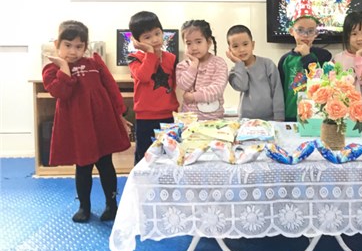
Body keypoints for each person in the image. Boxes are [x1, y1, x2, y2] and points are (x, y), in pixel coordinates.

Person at [43, 20, 131, 223]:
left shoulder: (94, 64)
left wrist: (120, 115)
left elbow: (111, 88)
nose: (73, 51)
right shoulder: (51, 70)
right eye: (68, 45)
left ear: (85, 46)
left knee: (106, 164)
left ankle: (112, 205)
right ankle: (84, 206)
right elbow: (61, 92)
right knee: (83, 166)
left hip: (102, 123)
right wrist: (64, 67)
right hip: (78, 127)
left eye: (79, 46)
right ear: (57, 44)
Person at [127, 11, 179, 164]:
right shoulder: (134, 58)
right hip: (145, 118)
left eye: (157, 33)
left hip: (168, 116)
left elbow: (175, 84)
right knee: (145, 157)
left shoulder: (171, 58)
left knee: (169, 156)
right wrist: (150, 53)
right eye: (147, 37)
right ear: (137, 41)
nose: (155, 39)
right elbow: (143, 76)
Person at [278, 2, 332, 121]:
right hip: (291, 114)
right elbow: (280, 90)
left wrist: (307, 56)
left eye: (310, 31)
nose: (305, 35)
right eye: (300, 30)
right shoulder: (285, 60)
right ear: (291, 31)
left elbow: (320, 81)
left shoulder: (323, 56)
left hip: (315, 114)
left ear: (316, 34)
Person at [226, 25, 285, 121]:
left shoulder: (267, 64)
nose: (241, 49)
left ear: (252, 45)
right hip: (245, 120)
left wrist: (279, 117)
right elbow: (242, 86)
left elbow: (277, 91)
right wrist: (239, 63)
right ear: (230, 50)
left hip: (270, 120)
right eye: (235, 46)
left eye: (245, 44)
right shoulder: (234, 72)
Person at [176, 19, 228, 120]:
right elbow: (183, 85)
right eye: (189, 43)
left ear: (208, 42)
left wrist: (194, 97)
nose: (194, 47)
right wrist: (193, 67)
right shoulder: (183, 65)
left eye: (198, 42)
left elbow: (217, 89)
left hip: (214, 120)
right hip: (189, 121)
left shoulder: (218, 63)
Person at [333, 11, 362, 120]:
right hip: (343, 112)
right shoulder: (337, 59)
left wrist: (359, 56)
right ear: (347, 36)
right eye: (354, 34)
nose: (360, 38)